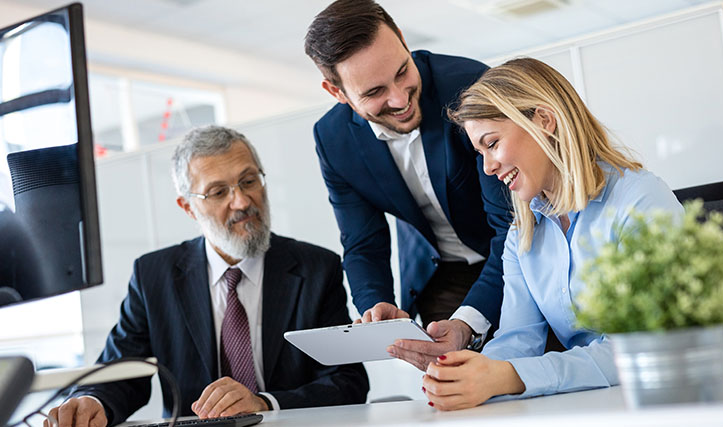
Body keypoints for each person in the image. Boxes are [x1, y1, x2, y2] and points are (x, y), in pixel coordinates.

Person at [46, 126, 369, 426]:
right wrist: (92, 402)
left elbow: (346, 381)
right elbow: (122, 373)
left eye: (249, 181)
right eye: (217, 192)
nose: (241, 201)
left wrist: (265, 403)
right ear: (187, 207)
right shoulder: (153, 275)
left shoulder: (316, 267)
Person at [422, 58, 684, 410]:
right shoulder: (522, 236)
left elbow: (639, 349)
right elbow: (517, 340)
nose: (487, 167)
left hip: (662, 403)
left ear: (544, 121)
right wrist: (466, 373)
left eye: (493, 143)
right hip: (590, 405)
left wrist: (508, 377)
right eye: (480, 153)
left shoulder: (639, 201)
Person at [304, 0, 514, 370]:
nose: (400, 99)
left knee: (528, 375)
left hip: (514, 258)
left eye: (402, 71)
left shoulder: (471, 86)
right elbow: (363, 243)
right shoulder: (333, 139)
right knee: (454, 395)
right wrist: (376, 307)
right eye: (374, 92)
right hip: (439, 277)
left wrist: (471, 321)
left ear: (401, 39)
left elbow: (509, 227)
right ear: (337, 92)